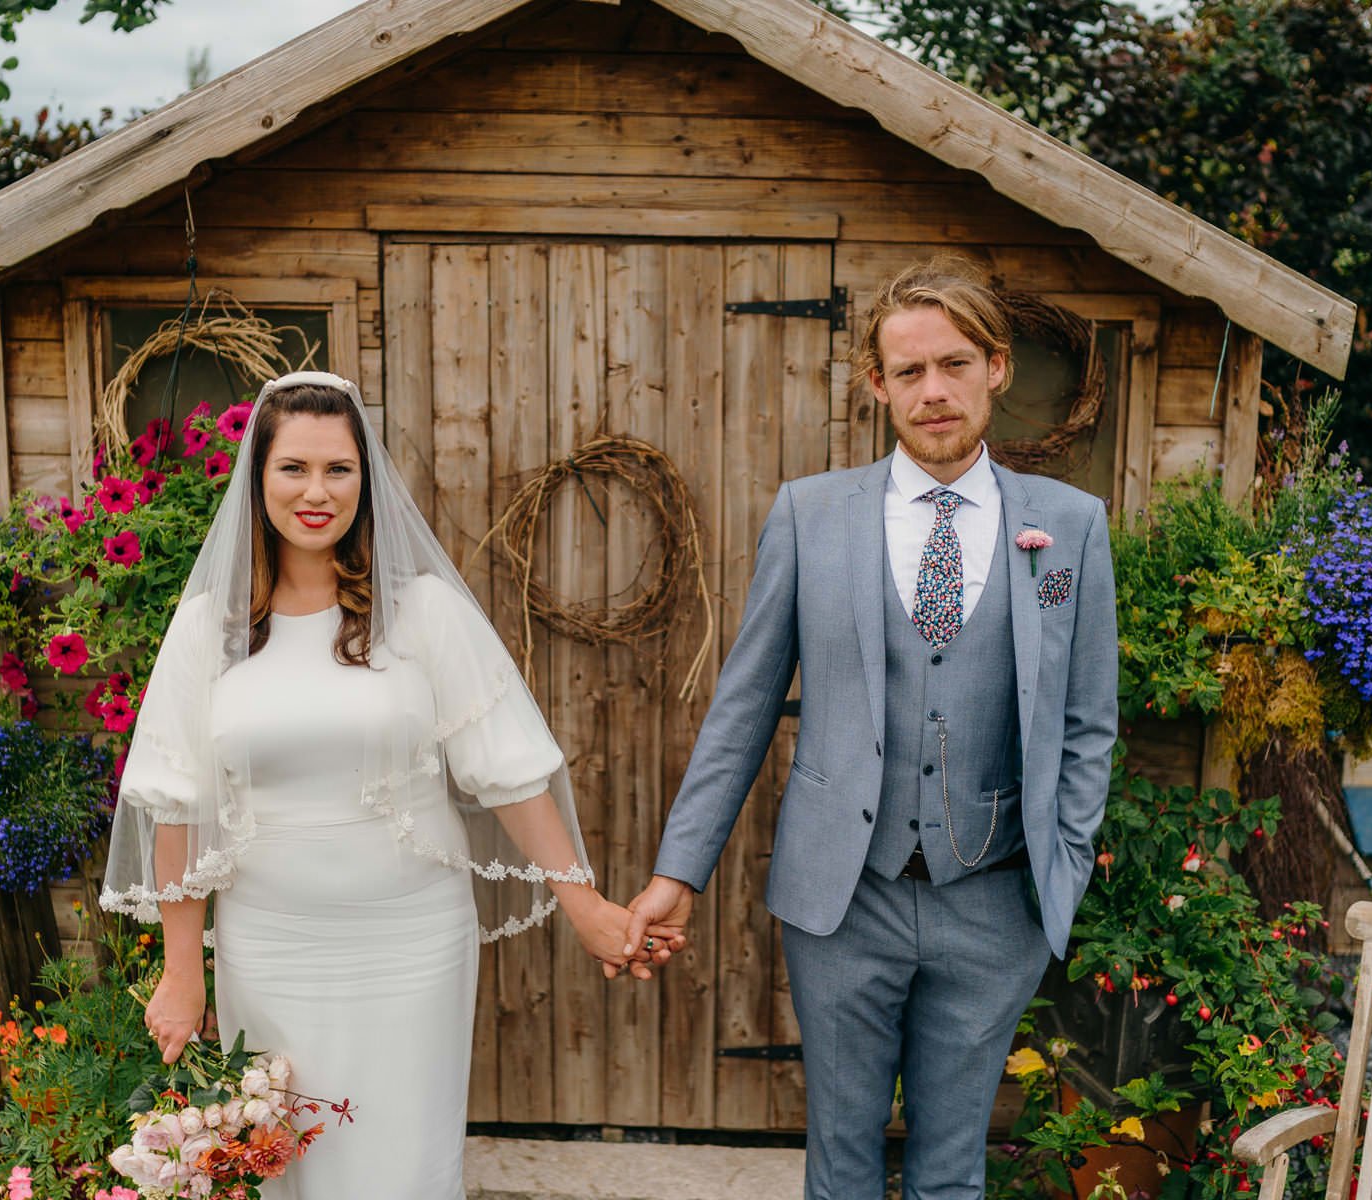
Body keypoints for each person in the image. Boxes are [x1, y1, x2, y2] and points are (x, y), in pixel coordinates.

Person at [101, 372, 681, 1199]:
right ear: (256, 477)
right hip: (269, 951)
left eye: (339, 469)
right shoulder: (210, 631)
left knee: (403, 1167)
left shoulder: (426, 614)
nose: (316, 491)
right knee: (284, 1163)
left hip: (411, 946)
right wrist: (180, 968)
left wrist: (584, 904)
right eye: (293, 468)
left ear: (366, 482)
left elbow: (506, 772)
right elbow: (175, 800)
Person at [624, 258, 1119, 1198]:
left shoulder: (1070, 525)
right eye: (909, 372)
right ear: (877, 384)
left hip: (995, 900)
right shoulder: (813, 516)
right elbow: (744, 704)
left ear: (996, 369)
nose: (934, 392)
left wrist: (1067, 859)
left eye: (956, 365)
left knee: (951, 1173)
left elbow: (1090, 719)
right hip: (842, 901)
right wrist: (675, 873)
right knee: (842, 1166)